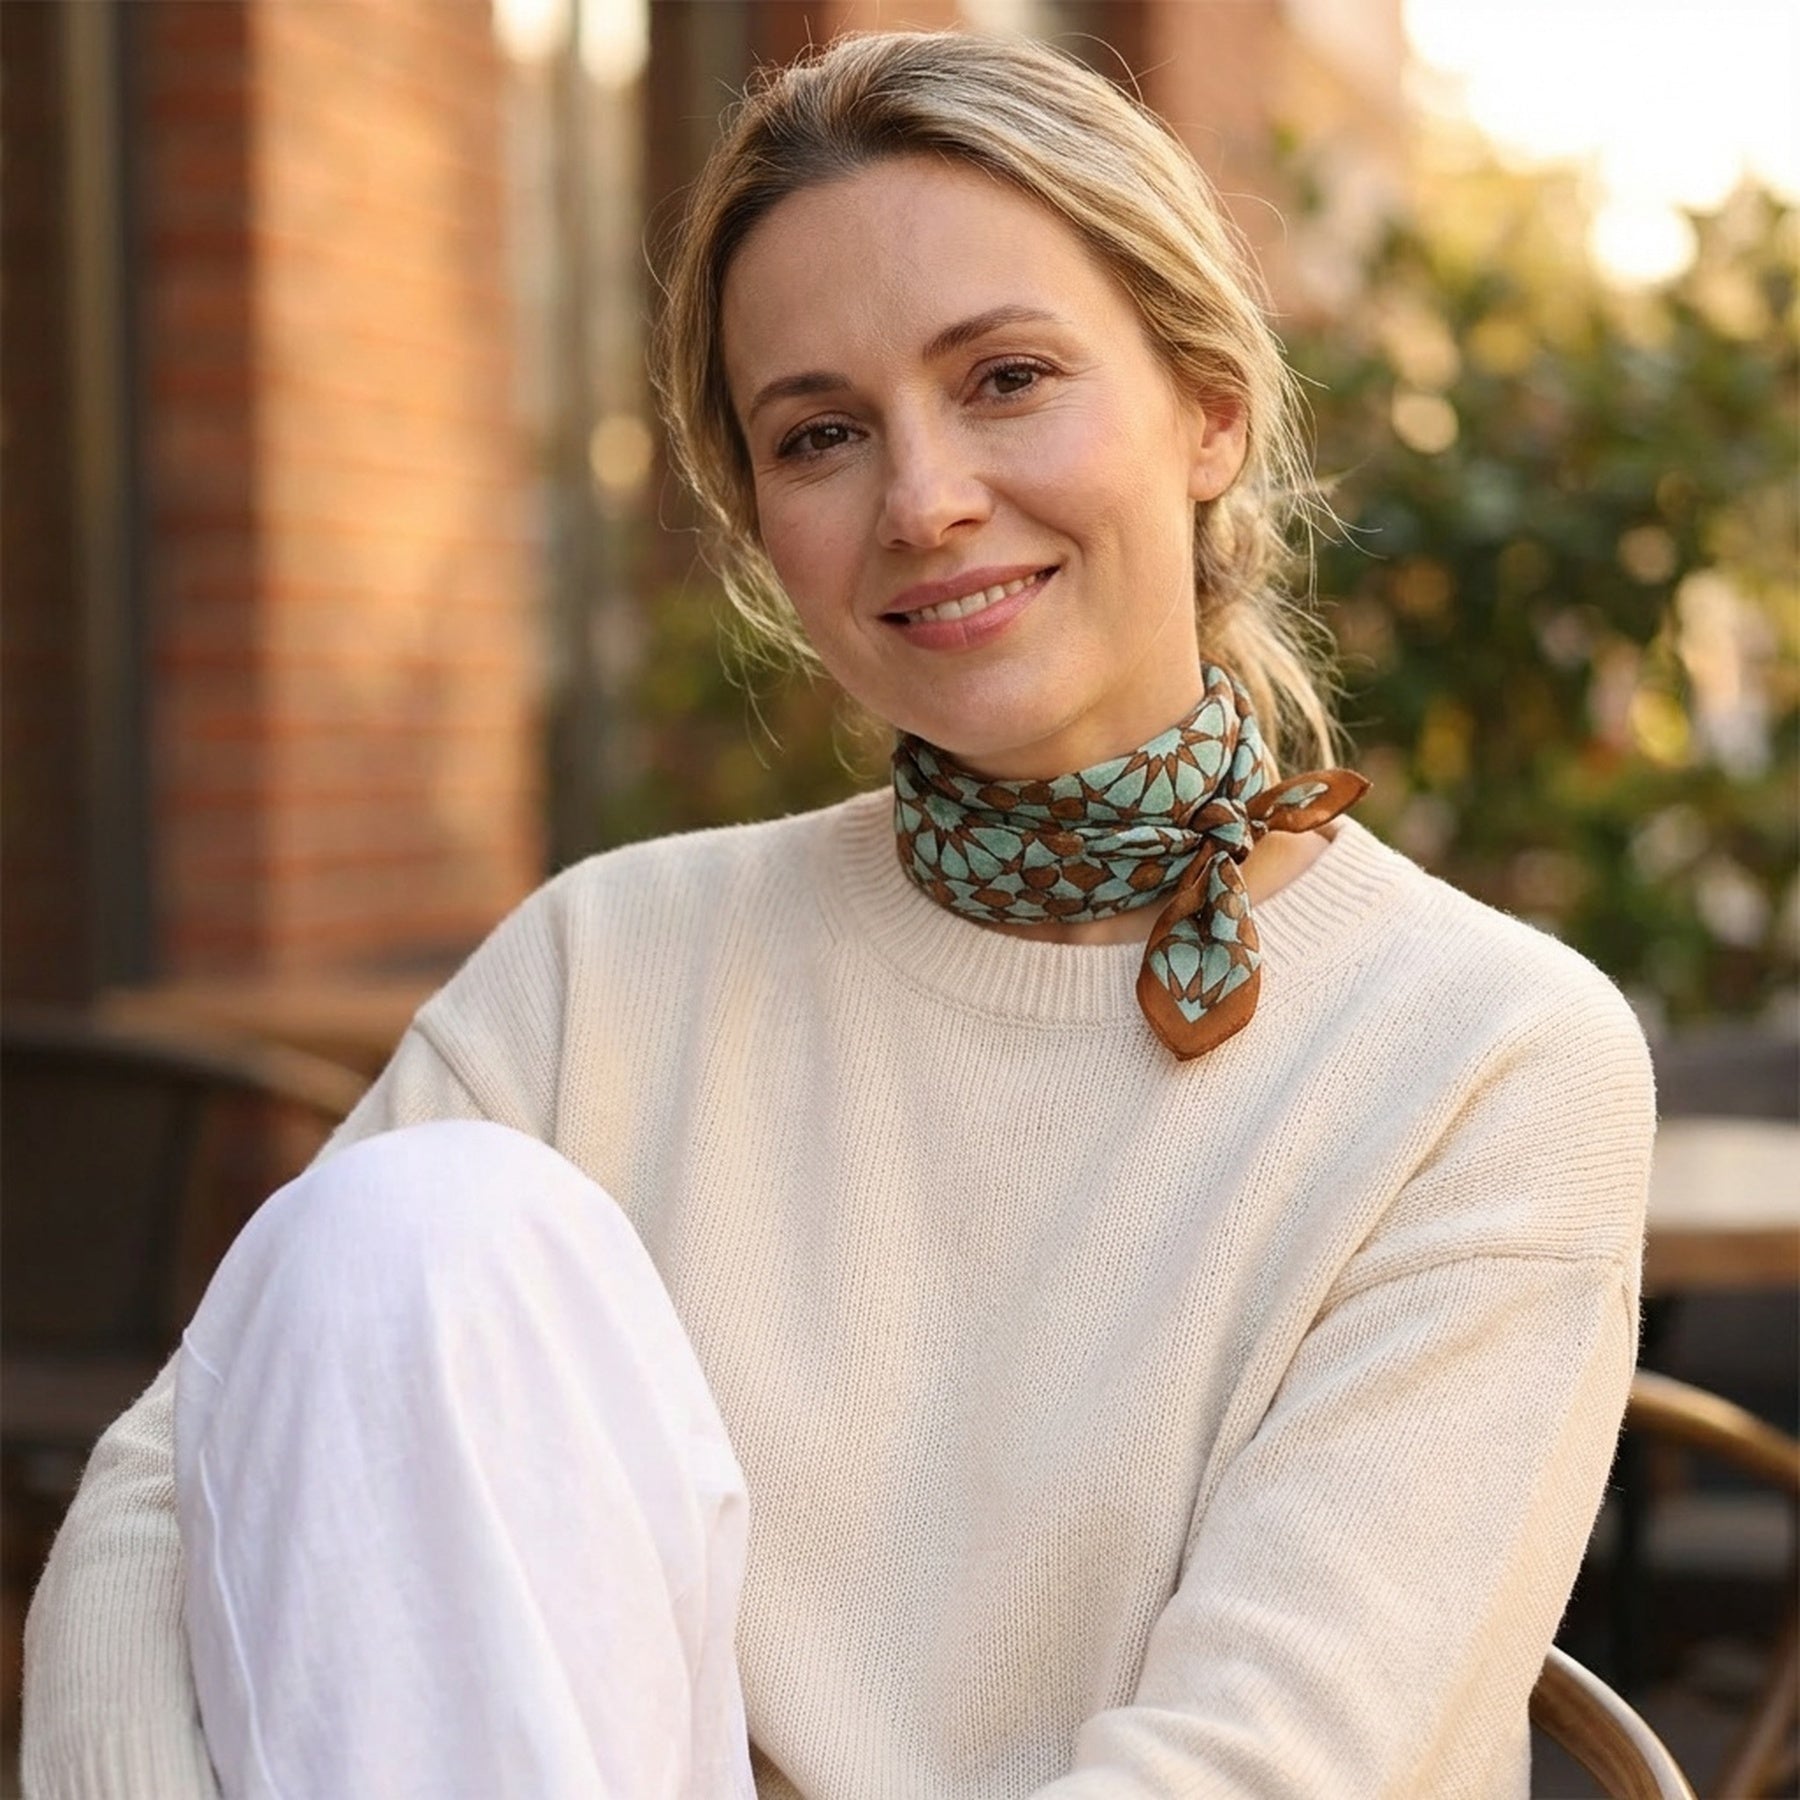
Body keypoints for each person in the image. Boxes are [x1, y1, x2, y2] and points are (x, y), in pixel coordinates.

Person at [23, 29, 1654, 1799]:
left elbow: (1277, 1762)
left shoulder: (1488, 1054)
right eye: (821, 434)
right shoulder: (610, 965)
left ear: (1209, 405)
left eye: (1009, 377)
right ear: (759, 519)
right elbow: (174, 1489)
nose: (928, 500)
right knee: (393, 1238)